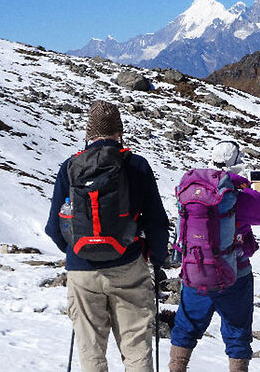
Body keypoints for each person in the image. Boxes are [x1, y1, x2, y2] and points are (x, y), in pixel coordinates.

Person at [45, 100, 169, 372]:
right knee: (136, 348)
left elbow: (54, 228)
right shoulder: (137, 165)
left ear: (88, 133)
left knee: (91, 352)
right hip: (127, 267)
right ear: (119, 132)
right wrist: (157, 259)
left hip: (82, 271)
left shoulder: (70, 167)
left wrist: (76, 251)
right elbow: (157, 223)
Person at [169, 140, 260, 372]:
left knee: (185, 329)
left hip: (195, 272)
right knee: (237, 333)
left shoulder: (193, 190)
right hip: (235, 275)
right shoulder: (237, 196)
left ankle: (176, 368)